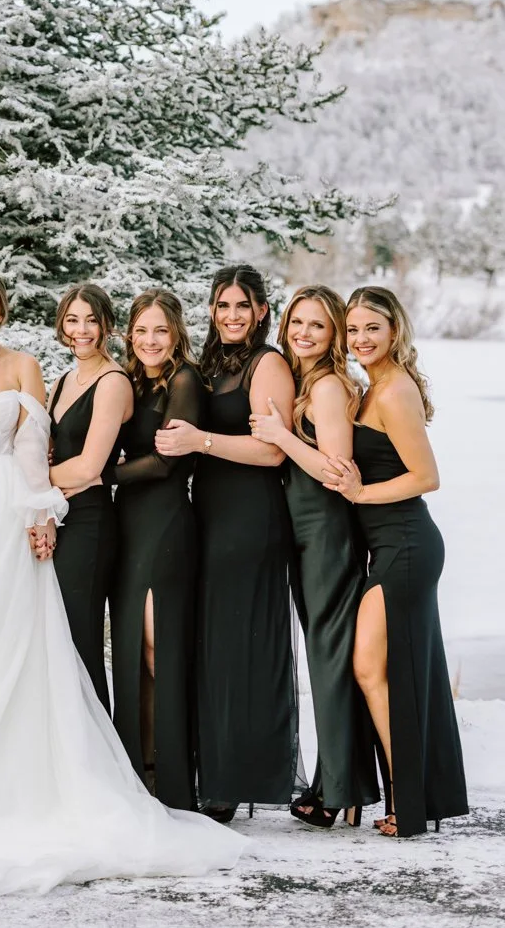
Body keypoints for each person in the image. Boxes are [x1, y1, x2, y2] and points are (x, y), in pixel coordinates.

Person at [0, 268, 243, 894]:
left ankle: (79, 772)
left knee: (27, 639)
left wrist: (36, 507)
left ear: (2, 310)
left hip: (18, 512)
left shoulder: (34, 369)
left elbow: (37, 450)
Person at [323, 286, 468, 838]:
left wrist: (360, 495)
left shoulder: (394, 391)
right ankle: (412, 799)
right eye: (353, 330)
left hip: (406, 545)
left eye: (372, 329)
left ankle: (408, 803)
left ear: (394, 331)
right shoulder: (371, 387)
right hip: (388, 546)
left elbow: (426, 477)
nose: (361, 339)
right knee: (392, 673)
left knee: (371, 669)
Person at [156, 264, 298, 821]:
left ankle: (236, 778)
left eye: (243, 306)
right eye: (223, 306)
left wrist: (202, 441)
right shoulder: (211, 365)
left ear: (261, 311)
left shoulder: (268, 365)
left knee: (241, 643)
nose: (232, 315)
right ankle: (210, 769)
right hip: (209, 514)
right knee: (213, 643)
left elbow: (272, 451)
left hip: (251, 516)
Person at [250, 284, 378, 826]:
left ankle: (340, 791)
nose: (303, 333)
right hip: (304, 532)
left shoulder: (326, 386)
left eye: (317, 325)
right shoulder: (302, 381)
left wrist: (281, 436)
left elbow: (335, 470)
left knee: (328, 659)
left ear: (333, 336)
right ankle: (340, 782)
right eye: (297, 322)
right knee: (327, 658)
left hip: (327, 531)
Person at [106, 290, 203, 810]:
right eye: (141, 330)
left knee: (155, 646)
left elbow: (167, 463)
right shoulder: (133, 381)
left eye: (160, 330)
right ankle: (139, 769)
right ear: (129, 335)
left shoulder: (184, 380)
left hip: (164, 521)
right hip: (128, 521)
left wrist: (104, 475)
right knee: (133, 650)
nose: (150, 340)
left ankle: (174, 775)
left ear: (176, 333)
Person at [47, 283, 133, 708]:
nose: (81, 330)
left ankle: (95, 739)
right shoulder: (63, 381)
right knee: (55, 638)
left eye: (91, 321)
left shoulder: (113, 382)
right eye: (72, 320)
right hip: (57, 515)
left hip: (89, 522)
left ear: (106, 326)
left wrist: (33, 480)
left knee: (79, 639)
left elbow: (88, 467)